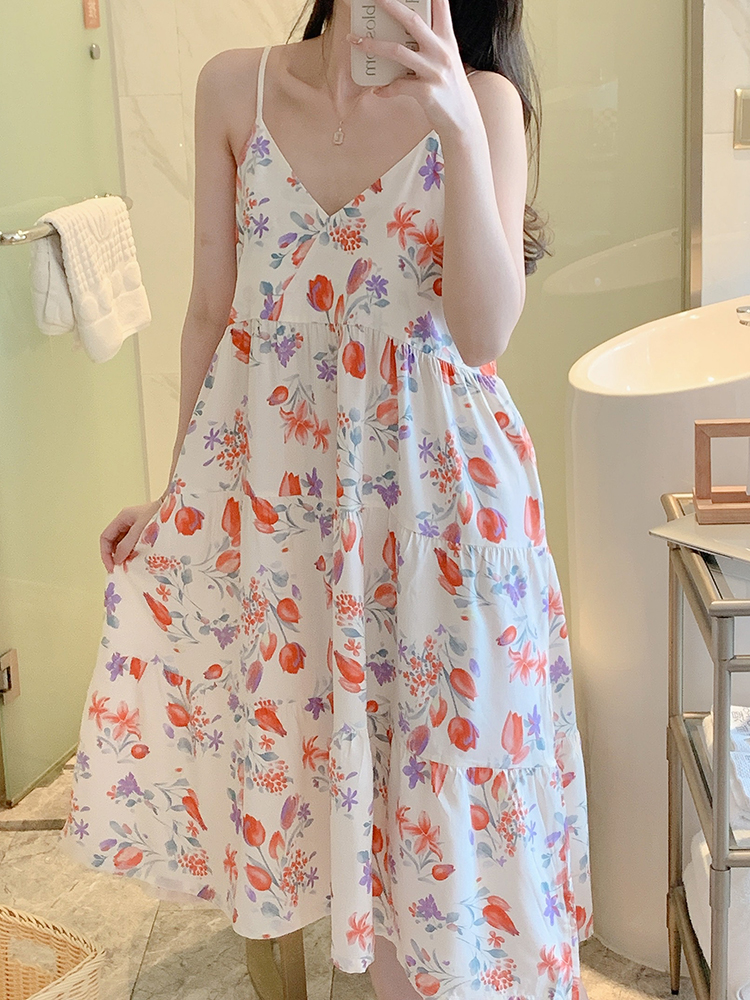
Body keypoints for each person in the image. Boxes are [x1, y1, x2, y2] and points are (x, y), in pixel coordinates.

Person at [61, 0, 593, 997]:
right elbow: (211, 315)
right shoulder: (237, 88)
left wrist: (455, 125)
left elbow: (484, 334)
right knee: (312, 798)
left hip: (440, 520)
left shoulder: (483, 101)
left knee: (435, 825)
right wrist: (180, 496)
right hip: (288, 517)